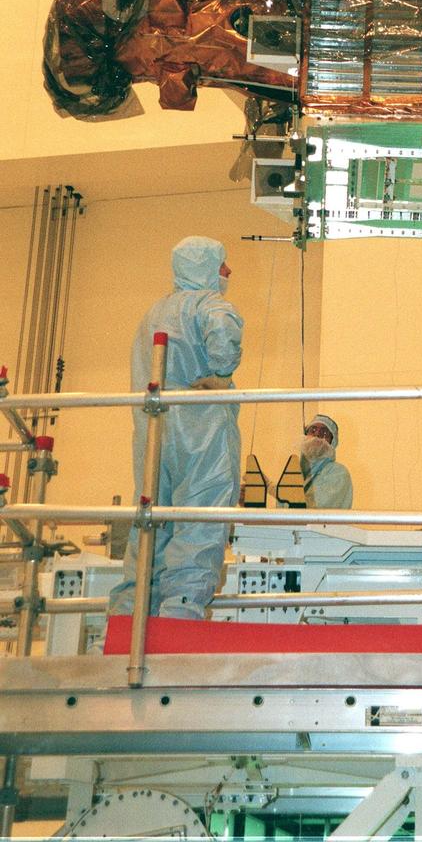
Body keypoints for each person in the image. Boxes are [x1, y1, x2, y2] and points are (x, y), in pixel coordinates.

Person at [107, 236, 243, 621]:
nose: (228, 272)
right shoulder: (208, 304)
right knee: (199, 522)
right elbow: (225, 332)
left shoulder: (153, 313)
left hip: (153, 434)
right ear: (206, 269)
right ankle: (178, 618)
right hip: (200, 433)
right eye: (222, 264)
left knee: (151, 524)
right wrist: (221, 373)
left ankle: (127, 616)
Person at [299, 414, 353, 508]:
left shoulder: (338, 473)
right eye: (313, 430)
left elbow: (318, 508)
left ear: (332, 442)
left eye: (324, 433)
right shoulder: (297, 471)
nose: (317, 435)